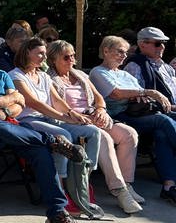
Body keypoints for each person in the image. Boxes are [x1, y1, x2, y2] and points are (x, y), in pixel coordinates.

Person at [0, 32, 85, 223]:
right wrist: (10, 99)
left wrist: (5, 110)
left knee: (41, 153)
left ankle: (57, 212)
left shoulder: (0, 74)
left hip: (13, 125)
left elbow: (20, 104)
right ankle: (51, 141)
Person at [47, 40, 143, 213]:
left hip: (93, 115)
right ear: (53, 59)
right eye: (66, 57)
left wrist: (101, 110)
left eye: (73, 56)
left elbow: (99, 98)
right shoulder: (50, 79)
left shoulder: (80, 75)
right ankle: (120, 191)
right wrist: (84, 117)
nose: (71, 60)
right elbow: (58, 105)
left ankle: (127, 184)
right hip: (72, 120)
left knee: (129, 134)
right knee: (104, 138)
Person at [8, 37, 104, 209]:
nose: (44, 58)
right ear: (27, 52)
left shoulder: (43, 76)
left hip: (48, 119)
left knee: (92, 131)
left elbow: (57, 100)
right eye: (40, 54)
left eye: (45, 54)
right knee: (63, 136)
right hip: (27, 120)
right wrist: (65, 118)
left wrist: (72, 113)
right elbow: (35, 103)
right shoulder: (15, 76)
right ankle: (60, 188)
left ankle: (83, 179)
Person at [90, 35, 176, 203]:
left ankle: (169, 186)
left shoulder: (124, 74)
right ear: (106, 51)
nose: (124, 55)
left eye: (125, 52)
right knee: (163, 121)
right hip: (119, 117)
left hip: (139, 114)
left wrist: (142, 95)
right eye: (119, 52)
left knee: (161, 133)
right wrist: (146, 93)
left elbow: (138, 93)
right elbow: (116, 93)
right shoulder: (98, 72)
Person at [124, 27, 176, 110]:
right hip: (156, 112)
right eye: (157, 44)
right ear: (142, 45)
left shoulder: (167, 67)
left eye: (163, 43)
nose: (162, 47)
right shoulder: (134, 66)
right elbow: (138, 99)